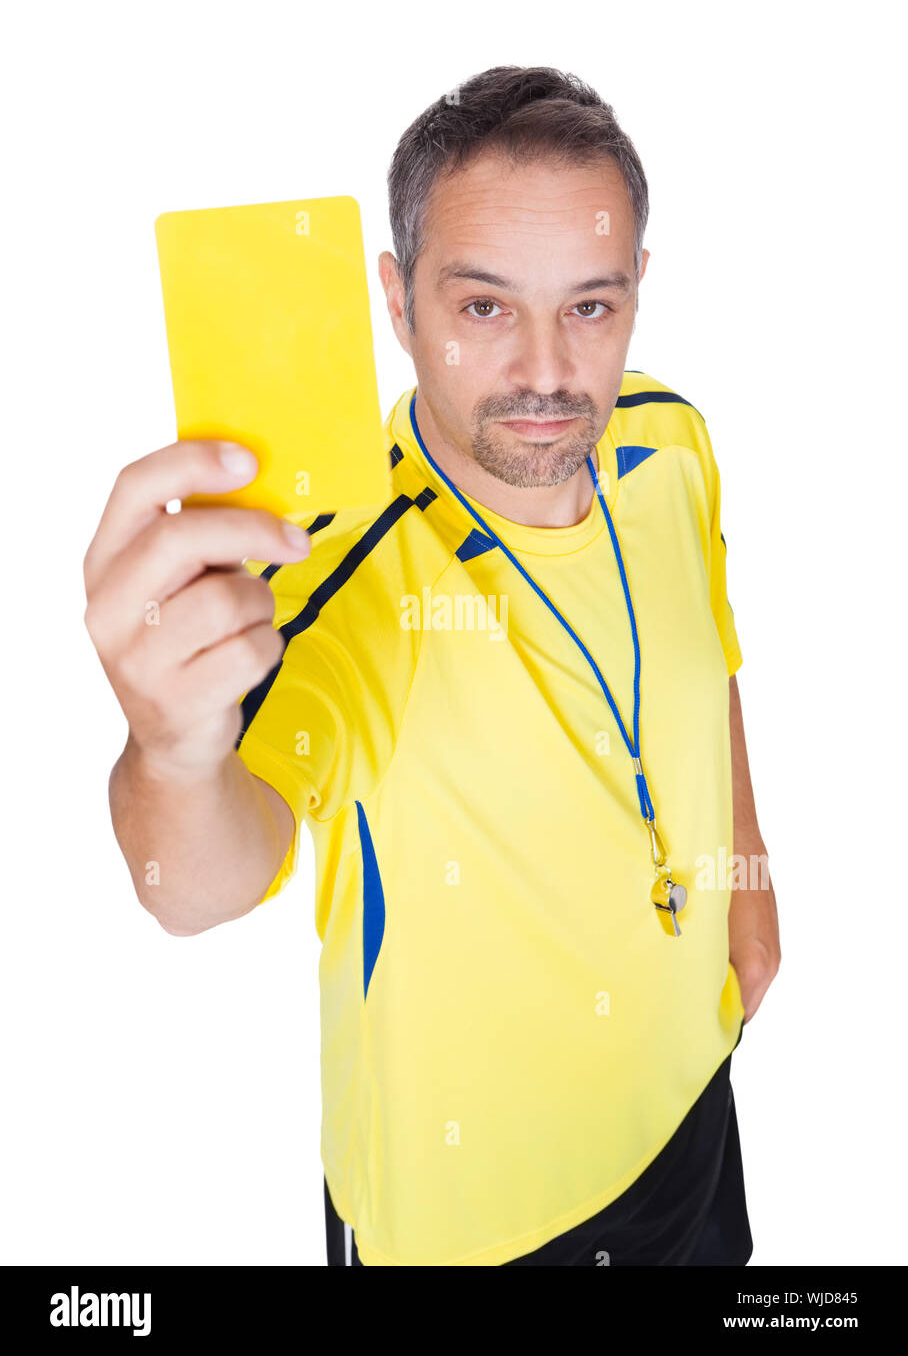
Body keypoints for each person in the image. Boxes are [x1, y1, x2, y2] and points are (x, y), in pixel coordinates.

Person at [83, 65, 780, 1267]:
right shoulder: (339, 574)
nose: (548, 376)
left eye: (589, 307)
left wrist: (746, 878)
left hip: (689, 1110)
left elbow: (702, 647)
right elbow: (191, 881)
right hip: (468, 1233)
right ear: (396, 304)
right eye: (482, 309)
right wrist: (173, 751)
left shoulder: (669, 437)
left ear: (635, 296)